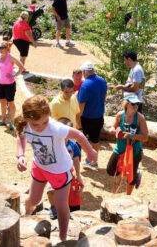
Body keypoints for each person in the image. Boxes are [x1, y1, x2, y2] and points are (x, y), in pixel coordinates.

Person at [14, 96, 97, 243]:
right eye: (36, 125)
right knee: (34, 199)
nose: (41, 127)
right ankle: (27, 213)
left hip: (60, 171)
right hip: (40, 167)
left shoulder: (55, 128)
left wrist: (90, 151)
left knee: (60, 205)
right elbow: (21, 138)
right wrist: (20, 155)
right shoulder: (24, 125)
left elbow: (78, 134)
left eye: (45, 122)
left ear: (49, 116)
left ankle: (62, 237)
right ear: (27, 119)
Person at [106, 95, 148, 195]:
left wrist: (132, 136)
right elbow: (113, 127)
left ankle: (128, 196)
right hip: (120, 148)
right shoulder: (120, 115)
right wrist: (113, 130)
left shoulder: (140, 118)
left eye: (137, 104)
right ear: (127, 104)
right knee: (110, 170)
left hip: (134, 151)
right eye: (133, 104)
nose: (136, 106)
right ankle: (132, 171)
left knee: (130, 177)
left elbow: (145, 137)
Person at [46, 117, 83, 220]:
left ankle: (66, 211)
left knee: (66, 194)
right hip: (53, 171)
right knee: (50, 190)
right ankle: (53, 207)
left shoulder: (73, 145)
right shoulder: (52, 144)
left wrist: (78, 174)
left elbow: (76, 160)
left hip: (67, 172)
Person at [77, 61, 107, 170]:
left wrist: (78, 121)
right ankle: (94, 161)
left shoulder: (85, 85)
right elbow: (104, 97)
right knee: (95, 140)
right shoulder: (102, 81)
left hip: (86, 118)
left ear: (85, 71)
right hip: (99, 116)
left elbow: (81, 106)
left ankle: (79, 162)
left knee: (81, 140)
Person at [0, 42, 24, 130]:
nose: (1, 49)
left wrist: (15, 75)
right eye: (0, 47)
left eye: (3, 47)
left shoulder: (11, 57)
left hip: (10, 84)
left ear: (7, 48)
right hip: (0, 83)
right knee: (2, 102)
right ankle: (3, 120)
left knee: (10, 103)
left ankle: (13, 122)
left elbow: (21, 67)